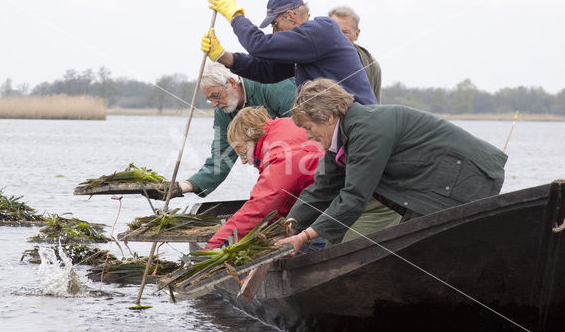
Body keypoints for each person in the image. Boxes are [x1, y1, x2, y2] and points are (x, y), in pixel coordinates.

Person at [277, 78, 508, 252]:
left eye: (308, 127)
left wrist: (305, 237)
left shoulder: (366, 129)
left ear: (327, 118)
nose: (307, 136)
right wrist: (289, 227)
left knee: (423, 250)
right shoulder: (340, 137)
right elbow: (323, 187)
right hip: (430, 187)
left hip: (466, 178)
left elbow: (354, 196)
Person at [201, 0, 377, 105]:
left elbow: (259, 45)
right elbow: (266, 70)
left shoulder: (320, 31)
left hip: (358, 121)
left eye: (275, 25)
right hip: (337, 128)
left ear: (291, 16)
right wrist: (224, 57)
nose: (275, 33)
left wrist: (236, 16)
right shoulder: (305, 48)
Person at [204, 106, 323, 250]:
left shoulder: (279, 155)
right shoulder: (282, 126)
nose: (242, 161)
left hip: (325, 211)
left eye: (242, 153)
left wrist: (214, 246)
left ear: (252, 138)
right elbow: (285, 195)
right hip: (318, 199)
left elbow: (260, 208)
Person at [176, 61, 297, 198]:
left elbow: (304, 131)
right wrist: (180, 188)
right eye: (210, 100)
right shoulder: (223, 113)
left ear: (232, 83)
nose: (214, 104)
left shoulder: (272, 85)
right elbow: (220, 159)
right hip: (274, 175)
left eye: (215, 96)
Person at [329, 6, 382, 103]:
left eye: (345, 32)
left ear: (356, 34)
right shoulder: (311, 59)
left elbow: (375, 109)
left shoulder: (371, 66)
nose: (338, 36)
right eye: (334, 31)